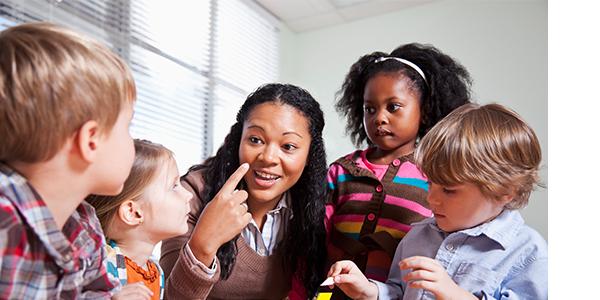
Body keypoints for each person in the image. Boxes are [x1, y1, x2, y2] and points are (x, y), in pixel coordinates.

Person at [328, 103, 548, 300]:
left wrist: (455, 295)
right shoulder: (418, 236)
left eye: (449, 191)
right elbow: (400, 293)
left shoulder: (528, 251)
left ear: (505, 191)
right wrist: (370, 292)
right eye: (431, 183)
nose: (431, 198)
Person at [0, 22, 137, 298]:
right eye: (127, 127)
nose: (132, 141)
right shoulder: (5, 222)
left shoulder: (84, 224)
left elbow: (93, 291)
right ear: (90, 140)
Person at [160, 83, 327, 299]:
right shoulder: (191, 194)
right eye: (255, 140)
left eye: (288, 146)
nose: (267, 157)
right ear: (239, 139)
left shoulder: (313, 208)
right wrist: (203, 245)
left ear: (309, 156)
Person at [326, 42, 472, 290]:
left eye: (393, 107)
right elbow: (316, 236)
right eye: (369, 109)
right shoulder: (341, 171)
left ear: (424, 111)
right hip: (330, 291)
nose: (379, 118)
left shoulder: (436, 175)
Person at [87, 139, 193, 300]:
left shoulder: (155, 272)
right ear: (133, 212)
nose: (188, 195)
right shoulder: (100, 268)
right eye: (174, 186)